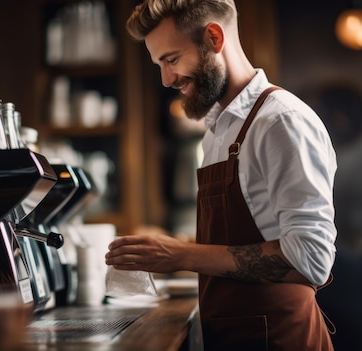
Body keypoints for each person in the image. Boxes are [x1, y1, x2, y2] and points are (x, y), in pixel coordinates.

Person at [105, 1, 338, 349]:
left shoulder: (281, 121)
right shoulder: (217, 130)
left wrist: (180, 255)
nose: (167, 79)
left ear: (213, 37)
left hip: (282, 340)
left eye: (171, 60)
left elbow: (311, 260)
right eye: (159, 65)